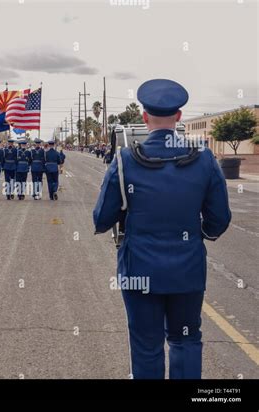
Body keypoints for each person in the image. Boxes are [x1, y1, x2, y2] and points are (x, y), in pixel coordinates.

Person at [93, 78, 231, 379]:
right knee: (186, 339)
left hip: (139, 266)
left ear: (144, 117)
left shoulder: (124, 159)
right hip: (187, 268)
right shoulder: (205, 159)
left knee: (146, 343)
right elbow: (219, 218)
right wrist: (200, 234)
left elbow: (101, 218)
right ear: (179, 117)